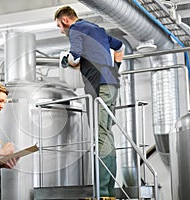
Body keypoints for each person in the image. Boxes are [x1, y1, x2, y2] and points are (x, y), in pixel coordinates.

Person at [54, 6, 125, 200]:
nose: (61, 30)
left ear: (65, 20)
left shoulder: (76, 30)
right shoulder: (97, 29)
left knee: (99, 136)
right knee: (107, 135)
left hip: (98, 87)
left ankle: (102, 193)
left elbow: (74, 57)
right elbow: (119, 47)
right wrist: (114, 69)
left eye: (60, 26)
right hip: (111, 84)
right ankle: (108, 192)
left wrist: (66, 61)